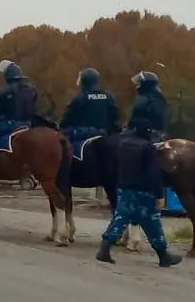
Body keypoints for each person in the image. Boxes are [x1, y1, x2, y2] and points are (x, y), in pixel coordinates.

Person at [96, 117, 183, 267]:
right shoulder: (148, 148)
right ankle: (164, 256)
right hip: (144, 192)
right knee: (153, 223)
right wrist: (159, 194)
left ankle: (104, 249)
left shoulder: (123, 145)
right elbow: (154, 173)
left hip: (124, 189)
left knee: (120, 218)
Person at [0, 59, 38, 175]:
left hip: (10, 124)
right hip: (28, 124)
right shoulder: (32, 90)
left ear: (8, 76)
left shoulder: (5, 91)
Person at [59, 67, 121, 144]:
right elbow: (115, 117)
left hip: (84, 136)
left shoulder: (80, 98)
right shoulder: (109, 96)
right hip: (105, 134)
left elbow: (66, 120)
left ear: (84, 82)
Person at [129, 71, 168, 143]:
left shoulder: (143, 98)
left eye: (139, 83)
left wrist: (129, 126)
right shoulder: (160, 96)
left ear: (145, 84)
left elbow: (134, 117)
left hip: (144, 132)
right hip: (160, 133)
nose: (137, 86)